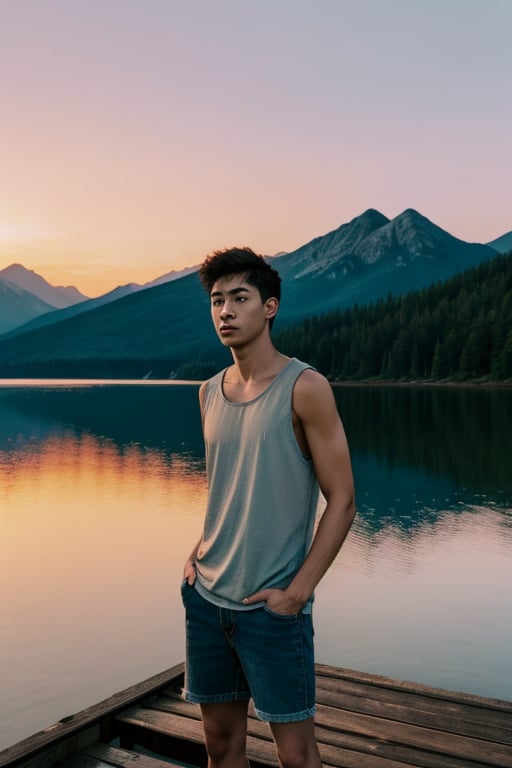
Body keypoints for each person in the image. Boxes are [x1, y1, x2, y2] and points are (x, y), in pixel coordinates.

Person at [182, 246, 356, 768]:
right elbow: (228, 491)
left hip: (271, 610)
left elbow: (343, 500)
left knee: (298, 757)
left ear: (270, 307)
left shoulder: (305, 388)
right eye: (217, 301)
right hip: (207, 600)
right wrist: (195, 556)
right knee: (220, 746)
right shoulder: (208, 392)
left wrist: (297, 594)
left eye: (240, 298)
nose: (226, 312)